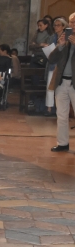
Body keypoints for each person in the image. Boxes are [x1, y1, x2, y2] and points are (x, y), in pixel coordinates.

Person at [48, 12, 75, 152]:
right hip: (62, 82)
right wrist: (60, 46)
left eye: (74, 22)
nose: (72, 25)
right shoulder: (65, 39)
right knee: (62, 115)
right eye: (71, 22)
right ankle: (63, 143)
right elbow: (52, 60)